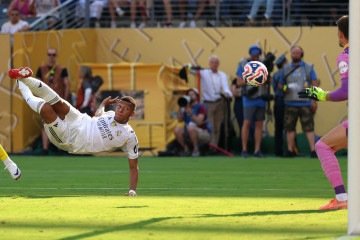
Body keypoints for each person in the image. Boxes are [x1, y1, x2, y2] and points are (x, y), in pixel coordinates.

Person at [9, 66, 139, 196]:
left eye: (125, 109)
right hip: (79, 120)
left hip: (70, 140)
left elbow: (133, 167)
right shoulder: (110, 113)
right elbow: (98, 115)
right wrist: (103, 105)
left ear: (131, 114)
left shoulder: (129, 135)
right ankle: (24, 77)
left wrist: (132, 191)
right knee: (58, 101)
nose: (120, 110)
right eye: (119, 106)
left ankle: (21, 82)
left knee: (46, 109)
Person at [298, 15, 348, 210]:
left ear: (342, 34)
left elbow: (346, 91)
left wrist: (321, 95)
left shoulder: (346, 56)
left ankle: (342, 197)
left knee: (323, 146)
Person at [278, 45, 319, 157]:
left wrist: (314, 100)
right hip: (290, 102)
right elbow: (280, 85)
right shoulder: (285, 69)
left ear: (302, 54)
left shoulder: (308, 67)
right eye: (293, 53)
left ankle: (313, 150)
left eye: (298, 52)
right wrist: (287, 88)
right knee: (290, 127)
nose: (295, 55)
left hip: (305, 101)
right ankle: (291, 150)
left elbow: (315, 83)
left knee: (309, 127)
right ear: (291, 54)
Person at [36, 48, 70, 155]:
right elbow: (36, 84)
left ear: (56, 56)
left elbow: (66, 84)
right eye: (49, 54)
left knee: (60, 124)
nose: (51, 57)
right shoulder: (41, 69)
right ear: (47, 55)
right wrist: (38, 99)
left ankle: (61, 148)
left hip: (58, 101)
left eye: (53, 55)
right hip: (45, 101)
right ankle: (45, 148)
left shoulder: (62, 69)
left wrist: (65, 98)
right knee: (45, 123)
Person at [236, 44, 267, 157]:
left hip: (261, 98)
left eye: (257, 55)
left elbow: (268, 80)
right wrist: (253, 80)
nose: (256, 57)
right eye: (254, 55)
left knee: (259, 124)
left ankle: (257, 150)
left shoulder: (264, 64)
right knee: (247, 123)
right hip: (248, 98)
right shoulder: (243, 64)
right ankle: (244, 149)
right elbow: (239, 82)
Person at [198, 55, 232, 147]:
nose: (214, 64)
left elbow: (225, 87)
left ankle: (214, 146)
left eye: (216, 62)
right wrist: (192, 67)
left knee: (217, 126)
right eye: (212, 62)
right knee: (210, 125)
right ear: (209, 63)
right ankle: (208, 145)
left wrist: (228, 94)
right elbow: (191, 70)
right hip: (208, 103)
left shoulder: (222, 74)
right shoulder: (203, 72)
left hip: (219, 102)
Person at [174, 88, 211, 157]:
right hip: (189, 131)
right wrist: (181, 107)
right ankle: (186, 150)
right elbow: (179, 120)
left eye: (192, 94)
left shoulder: (201, 106)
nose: (190, 96)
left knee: (191, 128)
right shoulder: (185, 107)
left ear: (196, 96)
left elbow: (199, 122)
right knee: (177, 130)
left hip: (202, 132)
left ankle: (196, 150)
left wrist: (190, 113)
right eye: (188, 95)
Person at [272, 54, 287, 156]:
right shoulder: (284, 73)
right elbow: (283, 87)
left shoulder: (275, 74)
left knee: (278, 127)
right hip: (284, 100)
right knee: (288, 126)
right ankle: (289, 149)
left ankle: (278, 150)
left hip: (277, 101)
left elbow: (275, 88)